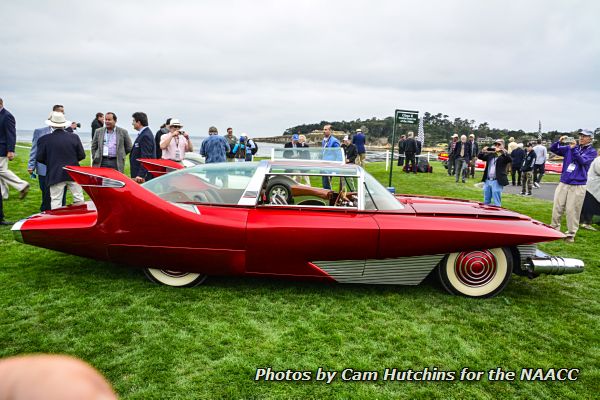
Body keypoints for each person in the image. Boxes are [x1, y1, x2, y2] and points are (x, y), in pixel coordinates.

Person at [549, 130, 597, 242]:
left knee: (572, 210)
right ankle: (554, 230)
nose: (581, 138)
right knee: (557, 207)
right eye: (580, 135)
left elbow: (582, 161)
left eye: (585, 136)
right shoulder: (569, 148)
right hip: (564, 182)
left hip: (578, 184)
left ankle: (570, 234)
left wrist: (574, 148)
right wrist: (558, 142)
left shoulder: (592, 152)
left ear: (590, 139)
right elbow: (554, 149)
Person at [36, 112, 86, 209]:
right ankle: (81, 220)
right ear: (64, 124)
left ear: (51, 124)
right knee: (79, 199)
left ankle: (57, 222)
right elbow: (81, 155)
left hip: (55, 173)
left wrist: (51, 162)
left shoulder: (44, 139)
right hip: (73, 172)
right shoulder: (74, 137)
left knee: (56, 201)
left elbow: (40, 158)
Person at [28, 112, 67, 211]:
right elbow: (34, 149)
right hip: (44, 168)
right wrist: (31, 165)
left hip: (60, 169)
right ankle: (45, 212)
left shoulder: (67, 134)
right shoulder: (39, 132)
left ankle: (60, 213)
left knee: (61, 193)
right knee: (45, 192)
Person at [0, 97, 29, 212]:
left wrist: (11, 150)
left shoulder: (7, 116)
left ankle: (22, 185)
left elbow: (11, 134)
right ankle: (3, 194)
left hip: (2, 148)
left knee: (1, 170)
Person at [478, 138, 511, 206]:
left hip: (496, 180)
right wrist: (483, 151)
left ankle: (498, 214)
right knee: (486, 200)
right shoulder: (491, 154)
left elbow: (509, 159)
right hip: (488, 180)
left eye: (499, 144)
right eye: (496, 144)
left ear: (503, 145)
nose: (497, 146)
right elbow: (480, 157)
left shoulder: (504, 154)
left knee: (496, 201)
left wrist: (501, 152)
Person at [129, 112, 155, 183]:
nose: (132, 123)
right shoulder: (143, 134)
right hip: (138, 173)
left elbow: (146, 157)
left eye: (133, 121)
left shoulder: (145, 135)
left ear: (139, 122)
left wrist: (141, 174)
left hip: (141, 176)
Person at [580, 156, 600, 231]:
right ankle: (586, 222)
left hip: (595, 187)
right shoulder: (598, 160)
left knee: (590, 205)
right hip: (592, 187)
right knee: (590, 206)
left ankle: (584, 221)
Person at [322, 124, 340, 189]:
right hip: (323, 164)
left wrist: (337, 168)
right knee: (325, 183)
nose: (324, 131)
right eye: (323, 129)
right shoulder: (324, 140)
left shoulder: (334, 141)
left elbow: (338, 154)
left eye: (326, 129)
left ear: (330, 131)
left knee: (326, 184)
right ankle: (328, 195)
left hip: (330, 166)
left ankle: (329, 196)